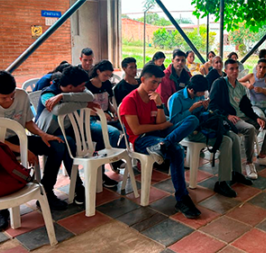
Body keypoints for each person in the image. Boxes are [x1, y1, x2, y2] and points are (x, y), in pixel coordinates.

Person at [0, 70, 74, 231]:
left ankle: (46, 190)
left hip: (19, 138)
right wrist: (23, 150)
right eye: (4, 97)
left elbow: (28, 122)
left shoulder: (22, 96)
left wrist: (43, 135)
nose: (10, 100)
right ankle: (2, 210)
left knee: (58, 145)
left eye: (12, 95)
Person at [119, 64, 201, 219]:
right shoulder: (130, 100)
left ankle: (163, 145)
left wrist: (159, 105)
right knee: (177, 150)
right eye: (153, 82)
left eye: (158, 83)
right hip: (142, 140)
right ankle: (182, 198)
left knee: (192, 119)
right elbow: (136, 130)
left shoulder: (154, 97)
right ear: (143, 79)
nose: (156, 86)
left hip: (159, 135)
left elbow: (161, 121)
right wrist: (162, 126)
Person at [169, 75, 251, 198]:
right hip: (190, 132)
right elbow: (174, 122)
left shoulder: (200, 95)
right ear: (191, 90)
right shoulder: (177, 98)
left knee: (234, 137)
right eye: (201, 92)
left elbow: (204, 115)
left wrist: (205, 108)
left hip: (204, 127)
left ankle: (237, 172)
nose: (203, 94)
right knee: (226, 142)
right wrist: (192, 109)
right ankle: (222, 182)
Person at [35, 65, 103, 205]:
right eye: (82, 86)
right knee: (68, 143)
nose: (84, 88)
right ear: (71, 86)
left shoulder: (67, 90)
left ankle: (99, 177)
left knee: (99, 134)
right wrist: (84, 103)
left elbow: (90, 95)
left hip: (68, 128)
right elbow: (58, 110)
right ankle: (76, 187)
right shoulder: (47, 94)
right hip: (47, 133)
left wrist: (63, 96)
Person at [209, 59, 266, 181]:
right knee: (250, 129)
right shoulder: (219, 84)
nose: (235, 71)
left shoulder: (240, 87)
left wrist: (257, 118)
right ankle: (249, 163)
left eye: (236, 68)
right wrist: (227, 115)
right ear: (226, 71)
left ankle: (262, 155)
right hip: (230, 119)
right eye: (231, 69)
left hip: (243, 116)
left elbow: (247, 107)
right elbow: (212, 105)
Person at [86, 60, 125, 181]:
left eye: (109, 75)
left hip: (106, 115)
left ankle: (120, 154)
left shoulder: (107, 84)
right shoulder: (88, 86)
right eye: (105, 75)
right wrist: (101, 114)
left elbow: (108, 103)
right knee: (113, 132)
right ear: (98, 71)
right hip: (92, 118)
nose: (107, 78)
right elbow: (87, 107)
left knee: (126, 128)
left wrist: (114, 112)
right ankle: (113, 159)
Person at [240, 58, 266, 146]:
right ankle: (253, 137)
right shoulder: (251, 76)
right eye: (260, 67)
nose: (262, 69)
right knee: (260, 117)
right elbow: (238, 81)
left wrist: (263, 90)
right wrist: (247, 84)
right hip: (254, 105)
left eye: (264, 67)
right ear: (257, 67)